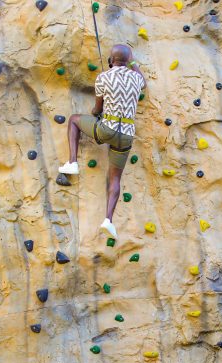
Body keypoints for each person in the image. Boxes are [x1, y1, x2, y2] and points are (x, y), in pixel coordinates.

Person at [58, 44, 146, 240]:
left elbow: (98, 107)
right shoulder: (136, 78)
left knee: (73, 120)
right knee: (115, 179)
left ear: (110, 60)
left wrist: (95, 113)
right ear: (127, 60)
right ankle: (108, 220)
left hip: (108, 129)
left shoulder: (104, 77)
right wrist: (133, 61)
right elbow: (143, 82)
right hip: (127, 135)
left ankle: (72, 162)